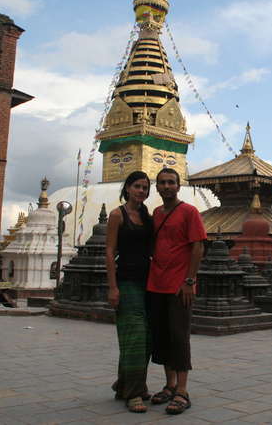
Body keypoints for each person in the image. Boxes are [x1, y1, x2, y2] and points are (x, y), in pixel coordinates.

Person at [147, 168, 206, 415]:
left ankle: (182, 390)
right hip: (155, 283)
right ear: (157, 188)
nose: (167, 186)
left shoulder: (189, 212)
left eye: (171, 182)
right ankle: (169, 385)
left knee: (179, 337)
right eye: (162, 183)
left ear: (178, 186)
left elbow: (197, 247)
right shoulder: (156, 214)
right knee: (162, 336)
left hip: (180, 285)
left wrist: (189, 281)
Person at [105, 171, 153, 413]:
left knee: (146, 339)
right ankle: (134, 393)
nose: (141, 191)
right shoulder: (117, 215)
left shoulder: (147, 216)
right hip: (126, 282)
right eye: (137, 187)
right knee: (134, 336)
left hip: (148, 283)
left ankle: (126, 383)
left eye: (145, 188)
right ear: (127, 188)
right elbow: (110, 252)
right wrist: (113, 287)